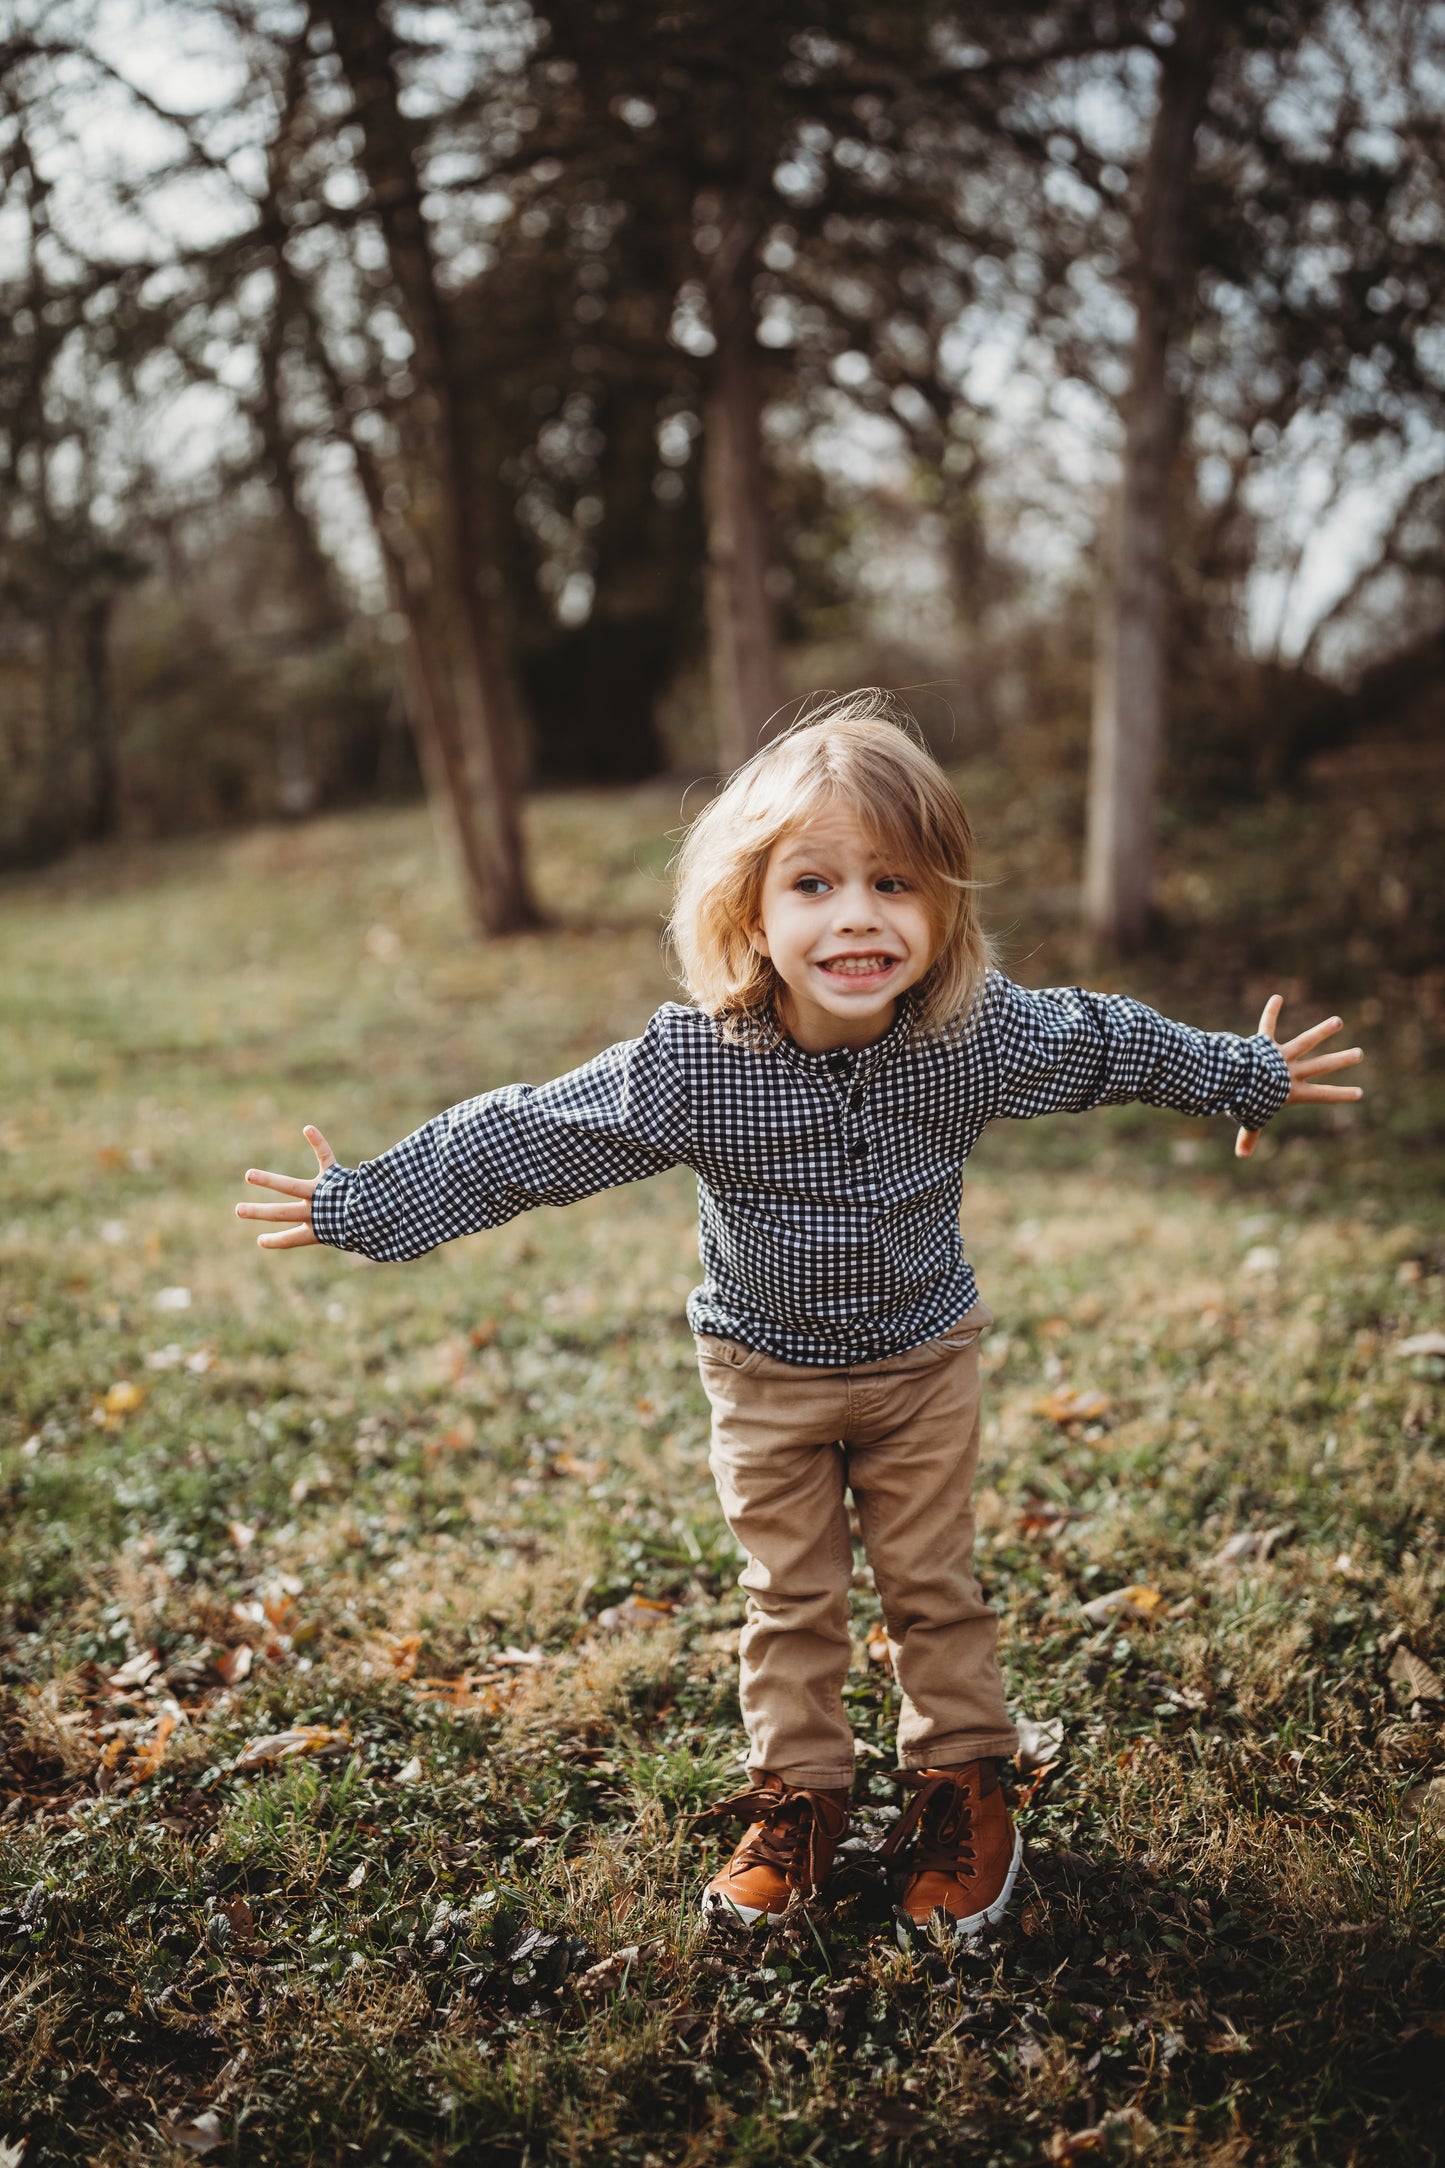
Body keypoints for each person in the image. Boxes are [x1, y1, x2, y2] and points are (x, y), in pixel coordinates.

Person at [235, 694, 1364, 1944]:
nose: (856, 916)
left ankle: (959, 1786)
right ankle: (801, 1799)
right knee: (790, 1594)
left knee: (932, 1585)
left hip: (922, 1363)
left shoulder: (975, 1033)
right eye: (813, 883)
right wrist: (367, 1202)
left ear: (940, 909)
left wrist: (1238, 1073)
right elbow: (532, 1135)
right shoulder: (694, 1063)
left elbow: (1107, 1044)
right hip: (763, 1376)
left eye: (892, 881)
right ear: (751, 915)